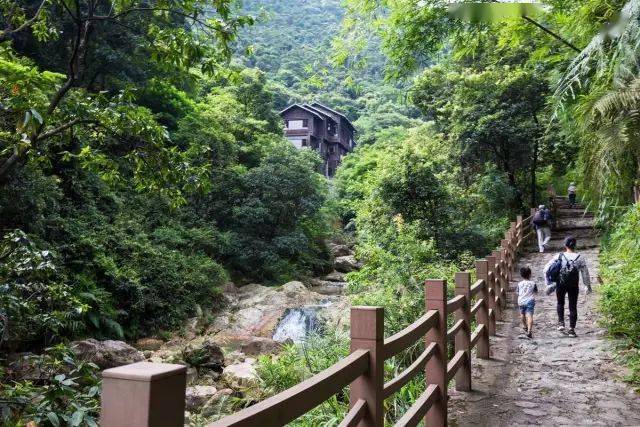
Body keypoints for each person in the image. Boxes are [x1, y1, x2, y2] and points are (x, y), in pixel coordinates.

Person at [543, 236, 592, 337]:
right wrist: (587, 286)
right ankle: (571, 330)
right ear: (575, 246)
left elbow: (546, 269)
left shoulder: (559, 256)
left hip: (561, 283)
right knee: (573, 306)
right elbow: (585, 274)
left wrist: (548, 283)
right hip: (574, 284)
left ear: (565, 245)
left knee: (560, 302)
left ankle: (561, 323)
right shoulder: (580, 258)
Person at [517, 266, 537, 339]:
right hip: (530, 301)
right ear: (530, 274)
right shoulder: (533, 283)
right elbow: (535, 292)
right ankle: (529, 331)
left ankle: (525, 326)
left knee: (522, 314)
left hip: (521, 301)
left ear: (521, 275)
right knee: (529, 315)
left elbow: (517, 292)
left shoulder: (519, 284)